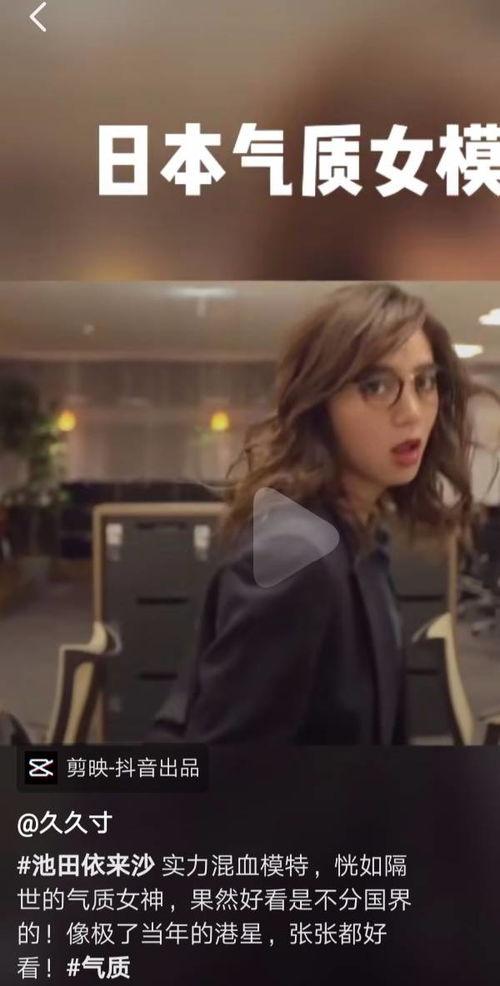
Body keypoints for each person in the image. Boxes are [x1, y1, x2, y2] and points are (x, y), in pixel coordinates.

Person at [149, 282, 498, 744]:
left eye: (424, 381)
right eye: (376, 386)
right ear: (320, 403)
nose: (412, 412)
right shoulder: (298, 556)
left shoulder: (358, 530)